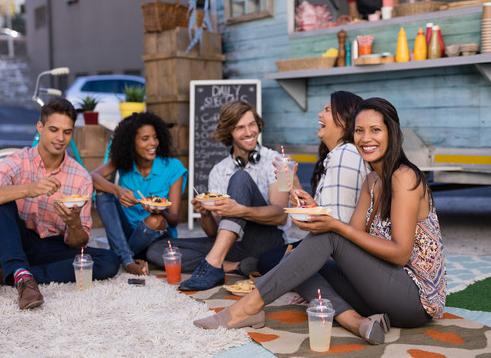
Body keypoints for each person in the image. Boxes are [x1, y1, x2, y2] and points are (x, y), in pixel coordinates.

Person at [193, 97, 446, 346]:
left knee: (327, 234)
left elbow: (401, 253)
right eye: (359, 130)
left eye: (375, 130)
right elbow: (351, 242)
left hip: (414, 301)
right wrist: (317, 212)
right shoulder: (372, 182)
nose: (366, 138)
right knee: (299, 260)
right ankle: (355, 321)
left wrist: (332, 225)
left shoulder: (404, 177)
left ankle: (247, 307)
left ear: (392, 133)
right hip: (379, 292)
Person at [0, 98, 120, 310]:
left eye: (67, 132)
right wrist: (28, 189)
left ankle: (15, 273)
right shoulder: (18, 161)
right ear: (40, 127)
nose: (60, 138)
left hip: (53, 246)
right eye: (54, 129)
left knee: (109, 261)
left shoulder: (81, 177)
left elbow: (79, 242)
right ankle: (23, 279)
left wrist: (74, 223)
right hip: (13, 241)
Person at [146, 100, 290, 291]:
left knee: (240, 178)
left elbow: (281, 215)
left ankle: (213, 265)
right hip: (233, 247)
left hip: (267, 241)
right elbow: (213, 233)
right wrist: (205, 214)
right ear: (229, 132)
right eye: (240, 127)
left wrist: (241, 210)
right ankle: (236, 267)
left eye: (252, 124)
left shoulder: (277, 162)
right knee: (159, 249)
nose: (248, 132)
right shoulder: (218, 171)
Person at [257, 90, 369, 274]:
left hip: (341, 252)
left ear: (345, 119)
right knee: (268, 259)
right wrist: (294, 184)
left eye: (327, 109)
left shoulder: (345, 156)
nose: (320, 114)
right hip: (332, 243)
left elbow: (336, 228)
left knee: (267, 261)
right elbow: (323, 213)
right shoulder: (339, 155)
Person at [91, 112, 188, 276]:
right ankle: (128, 259)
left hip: (157, 236)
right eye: (145, 139)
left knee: (155, 220)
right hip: (128, 232)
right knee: (102, 192)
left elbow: (173, 220)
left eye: (155, 137)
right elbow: (92, 177)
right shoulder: (124, 162)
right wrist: (117, 190)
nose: (153, 143)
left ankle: (122, 257)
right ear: (131, 143)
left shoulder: (173, 167)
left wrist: (160, 209)